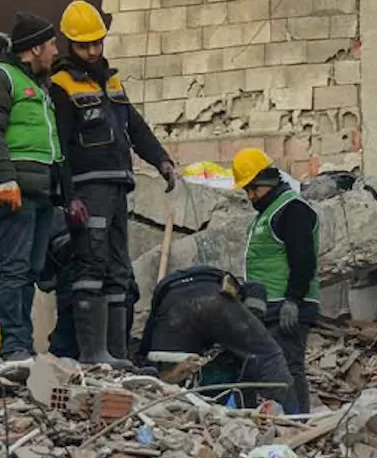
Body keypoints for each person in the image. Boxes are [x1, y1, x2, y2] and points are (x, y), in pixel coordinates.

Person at [49, 0, 176, 367]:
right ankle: (93, 353)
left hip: (118, 185)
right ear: (70, 44)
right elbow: (59, 146)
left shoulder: (112, 81)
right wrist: (69, 196)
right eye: (84, 45)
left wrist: (161, 160)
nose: (92, 51)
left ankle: (116, 353)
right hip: (88, 188)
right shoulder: (61, 85)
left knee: (119, 267)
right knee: (91, 263)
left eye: (97, 43)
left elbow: (134, 126)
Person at [0, 14, 77, 361]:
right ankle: (14, 344)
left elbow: (51, 144)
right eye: (52, 44)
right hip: (13, 187)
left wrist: (65, 194)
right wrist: (4, 178)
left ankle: (22, 343)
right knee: (15, 267)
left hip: (39, 188)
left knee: (30, 269)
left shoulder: (36, 85)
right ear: (34, 48)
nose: (56, 51)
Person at [139, 265, 297, 413]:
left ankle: (165, 412)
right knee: (268, 355)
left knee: (166, 376)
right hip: (213, 298)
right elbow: (252, 346)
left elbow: (149, 339)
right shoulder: (251, 289)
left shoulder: (168, 293)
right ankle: (291, 415)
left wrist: (145, 359)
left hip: (172, 304)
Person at [232, 148, 319, 414]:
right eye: (246, 190)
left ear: (267, 181)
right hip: (271, 305)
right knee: (268, 367)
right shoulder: (269, 212)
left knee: (289, 367)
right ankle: (286, 418)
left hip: (287, 306)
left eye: (253, 189)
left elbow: (303, 259)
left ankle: (298, 422)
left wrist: (293, 299)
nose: (250, 196)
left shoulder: (293, 210)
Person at [40, 209, 138, 359]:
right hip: (120, 298)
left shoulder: (47, 220)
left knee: (62, 354)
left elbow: (46, 283)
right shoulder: (105, 221)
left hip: (80, 285)